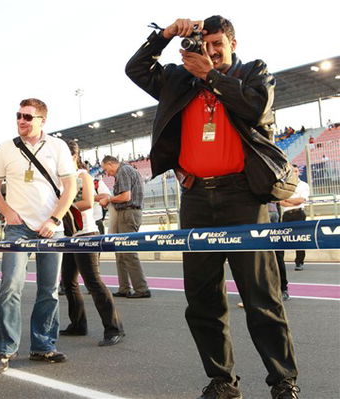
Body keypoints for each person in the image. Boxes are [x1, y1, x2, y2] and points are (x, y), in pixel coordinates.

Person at [125, 15, 300, 398]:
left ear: (233, 44)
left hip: (243, 198)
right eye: (205, 44)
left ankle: (283, 381)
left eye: (218, 44)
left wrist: (211, 76)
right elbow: (136, 68)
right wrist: (167, 34)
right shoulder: (178, 79)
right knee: (203, 299)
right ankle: (222, 380)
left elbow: (256, 109)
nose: (211, 51)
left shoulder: (254, 72)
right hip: (196, 199)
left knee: (261, 296)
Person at [0, 98, 76, 373]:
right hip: (17, 227)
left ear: (42, 121)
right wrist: (6, 211)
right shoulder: (6, 148)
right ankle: (4, 349)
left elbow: (70, 187)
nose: (21, 121)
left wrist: (54, 219)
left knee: (48, 290)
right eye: (18, 115)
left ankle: (44, 345)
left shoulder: (58, 146)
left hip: (51, 228)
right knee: (11, 287)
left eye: (27, 116)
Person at [60, 141, 125, 346]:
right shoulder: (60, 178)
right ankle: (78, 324)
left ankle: (114, 328)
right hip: (68, 236)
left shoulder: (82, 175)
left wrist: (59, 208)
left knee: (93, 282)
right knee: (68, 282)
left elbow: (88, 202)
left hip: (86, 233)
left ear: (72, 156)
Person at [99, 156, 151, 299]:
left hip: (128, 213)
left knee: (128, 251)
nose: (107, 173)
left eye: (106, 169)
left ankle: (141, 289)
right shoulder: (127, 170)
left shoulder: (123, 171)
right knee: (121, 252)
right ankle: (124, 287)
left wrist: (109, 199)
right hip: (127, 213)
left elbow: (125, 197)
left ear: (110, 164)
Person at [280, 165, 310, 271]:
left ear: (299, 172)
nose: (295, 173)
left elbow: (301, 200)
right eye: (293, 171)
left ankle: (299, 262)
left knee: (300, 239)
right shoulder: (284, 185)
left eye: (296, 171)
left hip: (299, 214)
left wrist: (289, 200)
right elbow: (281, 201)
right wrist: (292, 202)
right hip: (286, 214)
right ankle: (279, 263)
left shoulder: (304, 185)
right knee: (281, 238)